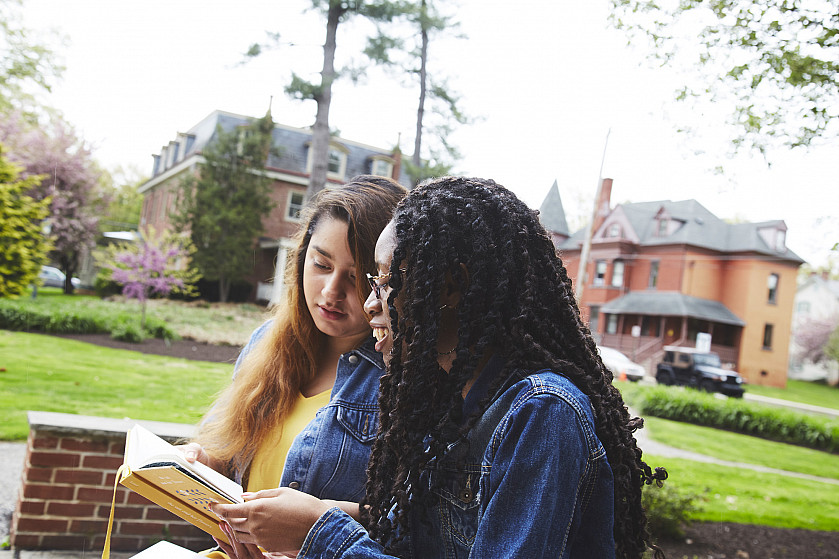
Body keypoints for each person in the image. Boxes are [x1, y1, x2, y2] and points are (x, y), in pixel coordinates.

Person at [210, 177, 668, 559]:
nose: (370, 304)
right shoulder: (447, 404)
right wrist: (323, 515)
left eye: (386, 282)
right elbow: (411, 536)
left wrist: (321, 535)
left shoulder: (541, 412)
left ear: (451, 287)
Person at [181, 175, 406, 557]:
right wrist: (204, 463)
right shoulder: (266, 342)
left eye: (355, 277)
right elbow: (236, 453)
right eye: (321, 264)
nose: (332, 291)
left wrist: (317, 525)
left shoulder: (400, 380)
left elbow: (413, 525)